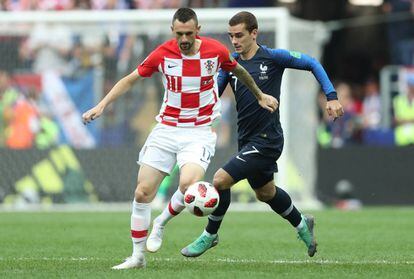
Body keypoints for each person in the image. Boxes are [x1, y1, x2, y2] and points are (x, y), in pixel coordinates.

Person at [82, 8, 277, 270]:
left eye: (188, 33)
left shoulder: (216, 51)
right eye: (179, 33)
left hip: (199, 132)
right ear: (172, 31)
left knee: (188, 185)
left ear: (198, 30)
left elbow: (239, 71)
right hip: (166, 129)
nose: (183, 39)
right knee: (142, 192)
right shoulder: (162, 53)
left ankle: (160, 223)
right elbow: (130, 80)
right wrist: (102, 105)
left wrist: (259, 95)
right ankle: (137, 257)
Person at [171, 11, 340, 258]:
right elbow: (212, 96)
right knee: (266, 193)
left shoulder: (272, 58)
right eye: (231, 36)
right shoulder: (230, 66)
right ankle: (302, 223)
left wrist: (331, 96)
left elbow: (312, 63)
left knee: (219, 180)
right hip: (247, 140)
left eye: (239, 35)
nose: (235, 41)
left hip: (268, 139)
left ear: (254, 33)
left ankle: (210, 235)